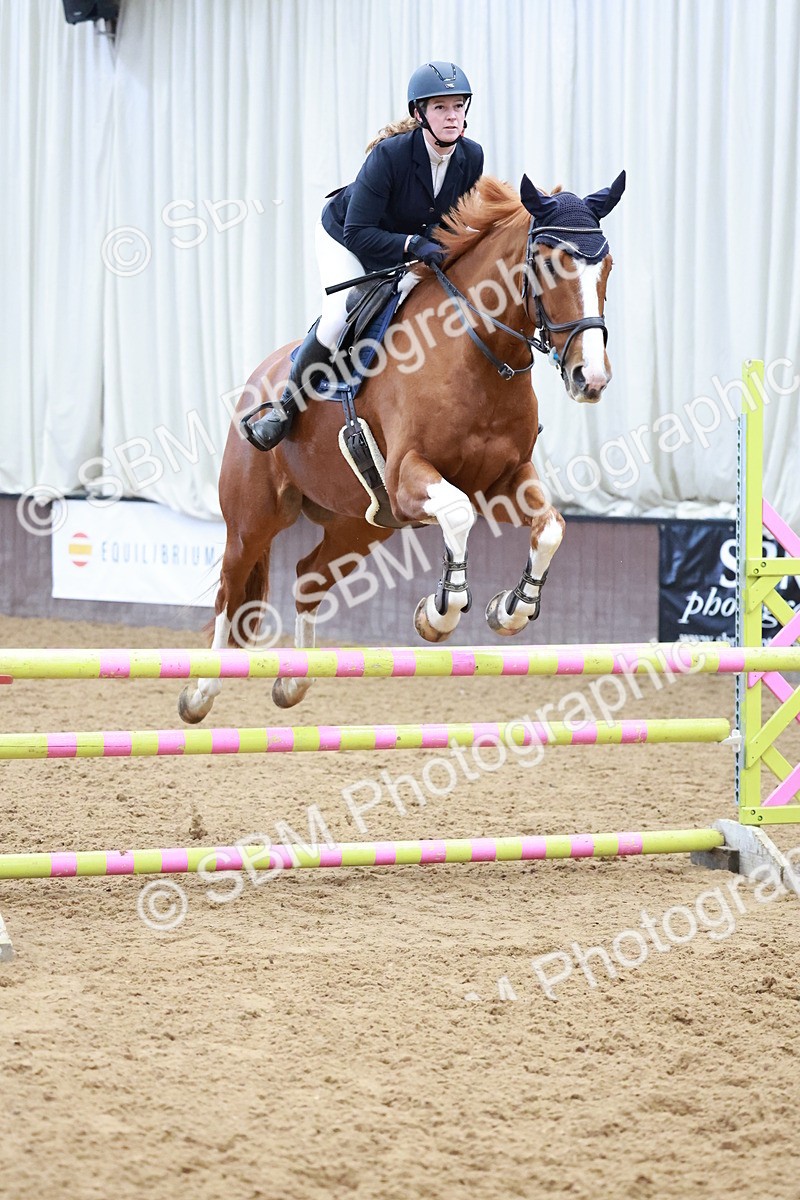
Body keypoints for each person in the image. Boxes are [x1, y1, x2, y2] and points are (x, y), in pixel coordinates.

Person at [244, 61, 484, 451]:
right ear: (419, 113)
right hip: (347, 236)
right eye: (440, 107)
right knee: (340, 315)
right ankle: (285, 408)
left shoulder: (471, 156)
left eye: (458, 106)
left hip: (404, 241)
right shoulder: (390, 156)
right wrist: (411, 245)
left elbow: (456, 217)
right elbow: (358, 231)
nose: (452, 116)